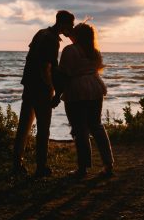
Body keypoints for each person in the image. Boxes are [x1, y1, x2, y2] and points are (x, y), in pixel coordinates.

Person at [12, 9, 75, 177]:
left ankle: (16, 163)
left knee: (24, 125)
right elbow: (46, 67)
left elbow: (31, 59)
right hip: (41, 88)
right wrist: (52, 91)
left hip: (28, 84)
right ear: (63, 24)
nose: (72, 28)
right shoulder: (52, 40)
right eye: (71, 25)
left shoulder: (41, 33)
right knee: (43, 128)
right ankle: (41, 166)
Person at [58, 21, 115, 178]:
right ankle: (108, 164)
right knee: (96, 125)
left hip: (77, 89)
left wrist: (57, 93)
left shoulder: (70, 50)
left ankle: (83, 168)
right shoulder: (94, 52)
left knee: (79, 128)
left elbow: (64, 73)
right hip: (95, 86)